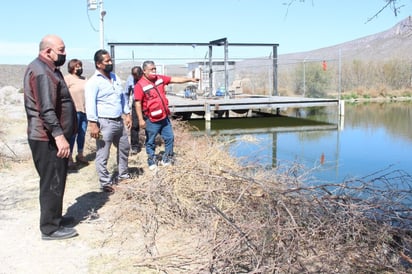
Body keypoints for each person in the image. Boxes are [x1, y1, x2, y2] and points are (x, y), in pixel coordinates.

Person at [23, 34, 78, 240]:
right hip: (47, 139)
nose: (65, 54)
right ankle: (49, 228)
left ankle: (55, 217)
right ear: (48, 51)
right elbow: (46, 109)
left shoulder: (49, 69)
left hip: (53, 137)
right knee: (51, 181)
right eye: (61, 50)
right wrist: (59, 136)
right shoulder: (42, 73)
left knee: (58, 178)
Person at [134, 60, 199, 170]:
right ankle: (152, 161)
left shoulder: (160, 79)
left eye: (154, 69)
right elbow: (137, 103)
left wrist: (190, 79)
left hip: (164, 118)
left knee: (169, 138)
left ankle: (167, 159)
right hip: (151, 119)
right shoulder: (140, 85)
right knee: (150, 141)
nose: (154, 71)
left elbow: (175, 80)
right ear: (144, 71)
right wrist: (141, 119)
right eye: (151, 69)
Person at [85, 49, 132, 193]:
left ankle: (123, 175)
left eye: (111, 60)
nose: (110, 63)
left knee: (124, 148)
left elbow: (122, 97)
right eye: (107, 61)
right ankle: (105, 182)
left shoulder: (115, 77)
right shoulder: (93, 82)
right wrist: (93, 125)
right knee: (103, 153)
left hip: (119, 121)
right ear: (99, 64)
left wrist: (127, 113)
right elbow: (90, 103)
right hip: (103, 123)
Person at [64, 59, 88, 169]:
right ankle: (69, 157)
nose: (79, 68)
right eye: (77, 66)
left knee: (82, 134)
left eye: (80, 66)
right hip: (74, 111)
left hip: (85, 111)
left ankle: (80, 154)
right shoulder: (67, 79)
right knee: (72, 134)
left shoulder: (85, 79)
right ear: (72, 67)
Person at [125, 66, 143, 155]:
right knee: (135, 126)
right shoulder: (130, 79)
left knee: (150, 125)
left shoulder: (145, 78)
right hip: (136, 104)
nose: (136, 78)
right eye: (134, 76)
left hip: (146, 104)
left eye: (137, 76)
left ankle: (150, 144)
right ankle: (135, 146)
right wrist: (126, 110)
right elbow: (126, 94)